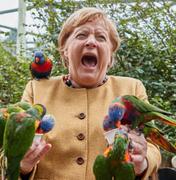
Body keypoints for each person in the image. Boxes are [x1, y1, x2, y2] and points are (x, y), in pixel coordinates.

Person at [20, 7, 161, 180]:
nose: (91, 42)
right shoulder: (36, 89)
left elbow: (154, 146)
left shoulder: (132, 89)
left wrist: (143, 162)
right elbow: (9, 150)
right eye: (81, 35)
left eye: (101, 37)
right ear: (65, 50)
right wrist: (22, 166)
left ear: (110, 56)